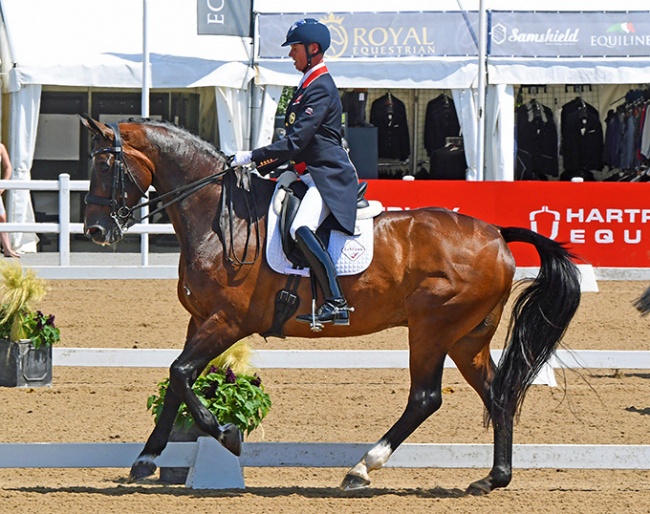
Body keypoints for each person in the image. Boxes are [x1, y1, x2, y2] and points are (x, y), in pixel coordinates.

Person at [231, 18, 358, 326]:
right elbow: (297, 147)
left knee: (300, 227)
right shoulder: (306, 85)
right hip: (307, 173)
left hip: (327, 176)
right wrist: (260, 167)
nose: (291, 55)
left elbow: (297, 141)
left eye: (295, 49)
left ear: (313, 49)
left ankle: (335, 301)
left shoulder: (320, 87)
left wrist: (251, 156)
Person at [0, 143, 19, 258]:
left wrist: (3, 185)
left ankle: (7, 248)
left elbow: (8, 168)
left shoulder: (1, 147)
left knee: (2, 217)